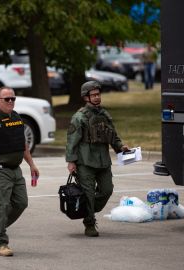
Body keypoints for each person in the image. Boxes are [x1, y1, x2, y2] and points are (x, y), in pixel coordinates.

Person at [0, 87, 39, 257]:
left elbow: (23, 145)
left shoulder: (17, 117)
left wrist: (32, 164)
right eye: (7, 99)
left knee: (21, 203)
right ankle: (0, 242)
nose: (11, 101)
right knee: (3, 206)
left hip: (16, 170)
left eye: (13, 98)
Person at [66, 81, 129, 237]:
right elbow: (71, 140)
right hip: (85, 162)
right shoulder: (79, 117)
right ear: (86, 97)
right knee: (88, 194)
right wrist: (71, 161)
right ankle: (89, 224)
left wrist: (121, 147)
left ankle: (86, 209)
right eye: (93, 95)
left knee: (107, 190)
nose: (96, 97)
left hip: (103, 161)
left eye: (98, 94)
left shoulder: (104, 115)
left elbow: (112, 135)